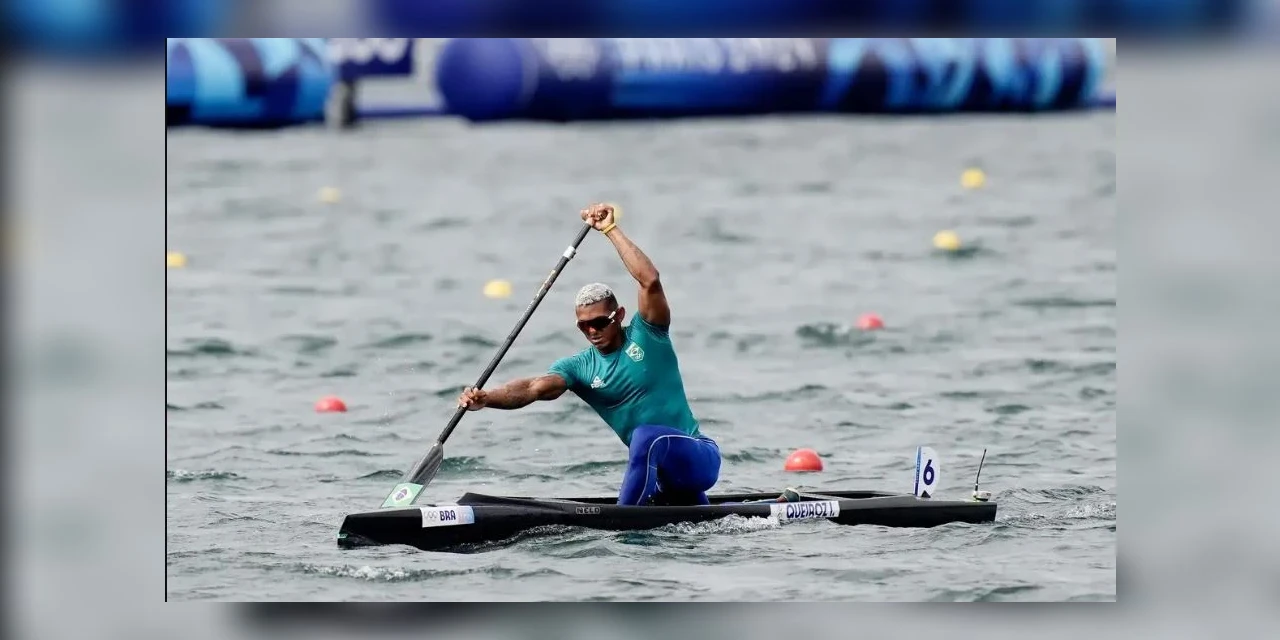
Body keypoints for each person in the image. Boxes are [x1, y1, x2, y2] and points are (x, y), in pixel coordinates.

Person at [456, 202, 721, 506]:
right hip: (664, 477)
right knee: (664, 473)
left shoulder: (649, 334)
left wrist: (609, 229)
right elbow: (533, 388)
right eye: (584, 326)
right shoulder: (581, 367)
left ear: (619, 315)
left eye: (599, 322)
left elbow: (649, 280)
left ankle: (622, 523)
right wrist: (486, 398)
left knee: (646, 437)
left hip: (699, 458)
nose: (593, 331)